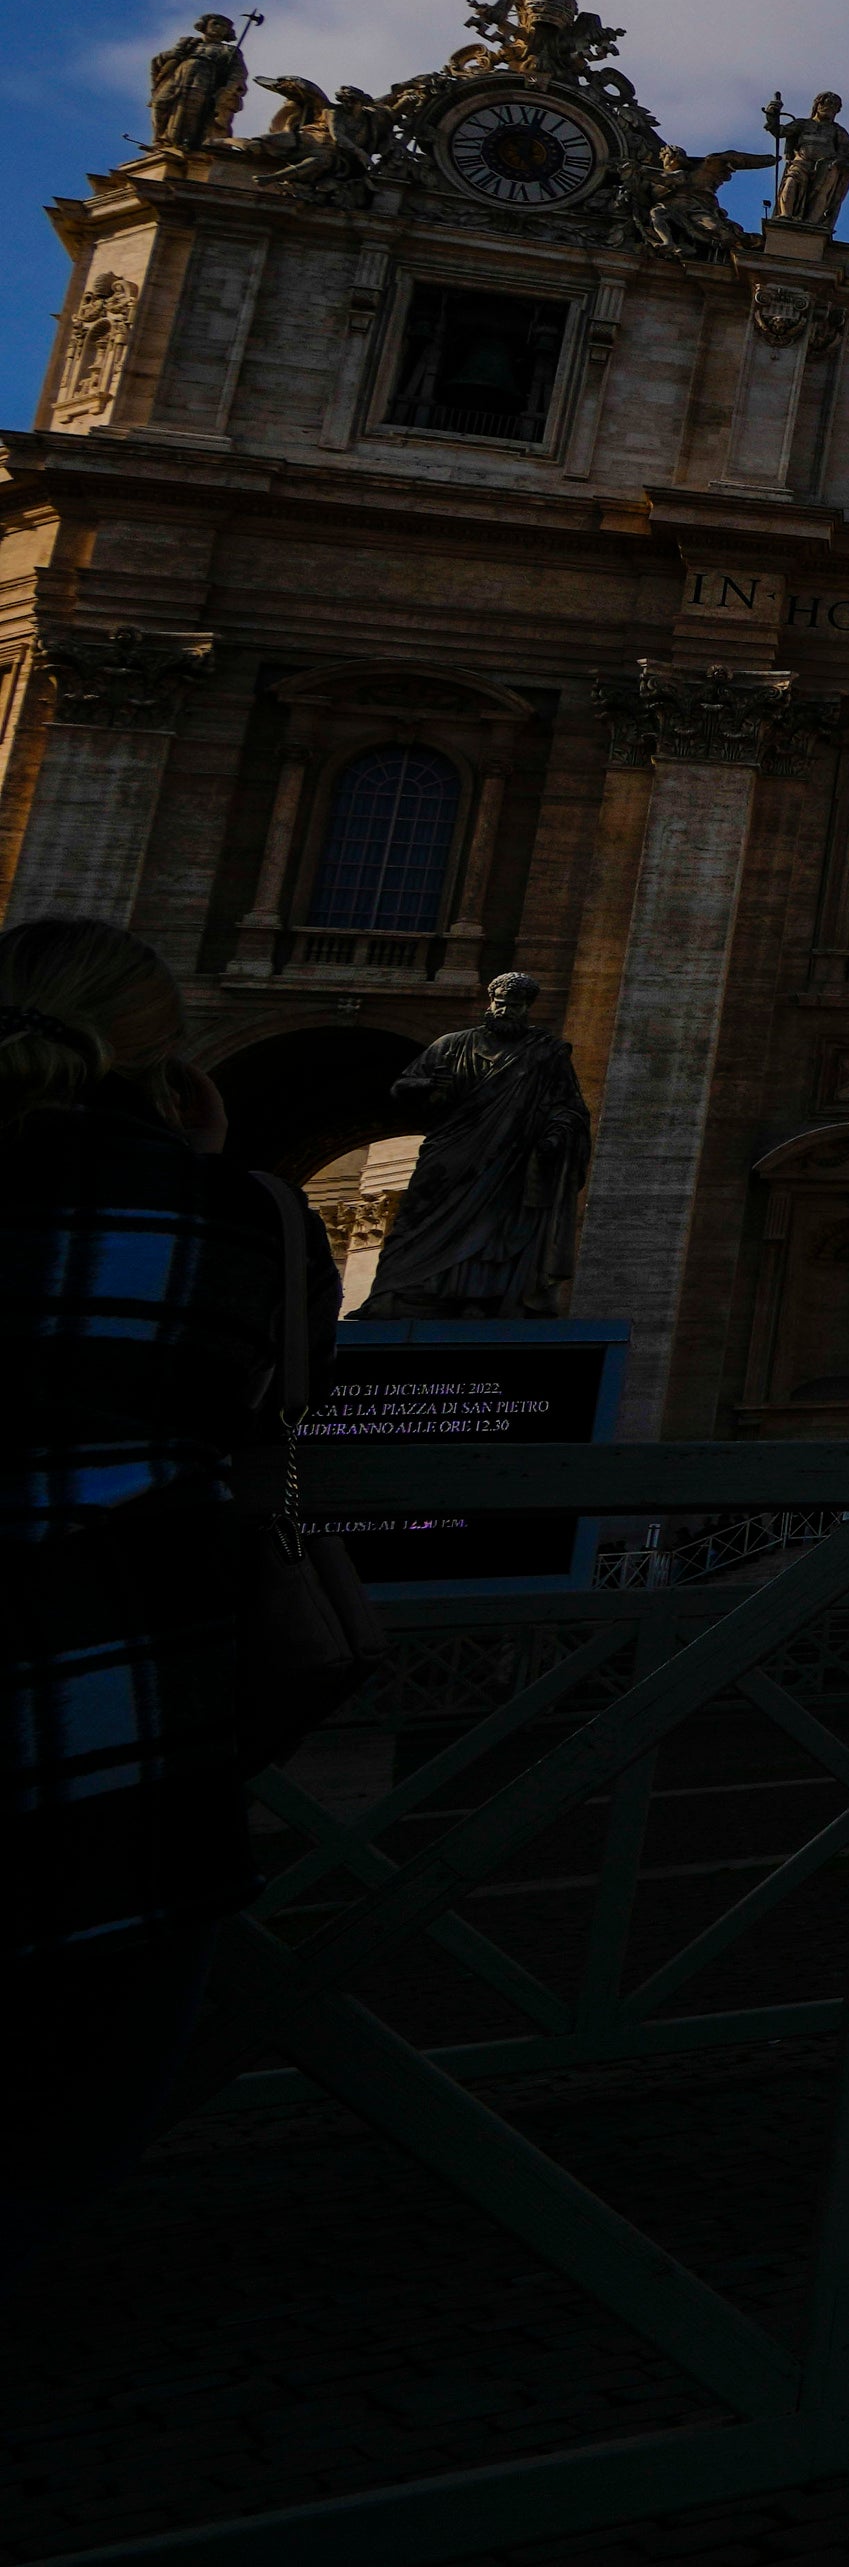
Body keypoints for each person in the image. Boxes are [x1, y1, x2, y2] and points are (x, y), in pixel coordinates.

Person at [5, 915, 349, 2297]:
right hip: (112, 1745)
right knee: (57, 2138)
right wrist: (210, 1166)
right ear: (172, 1063)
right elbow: (291, 1382)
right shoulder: (227, 1224)